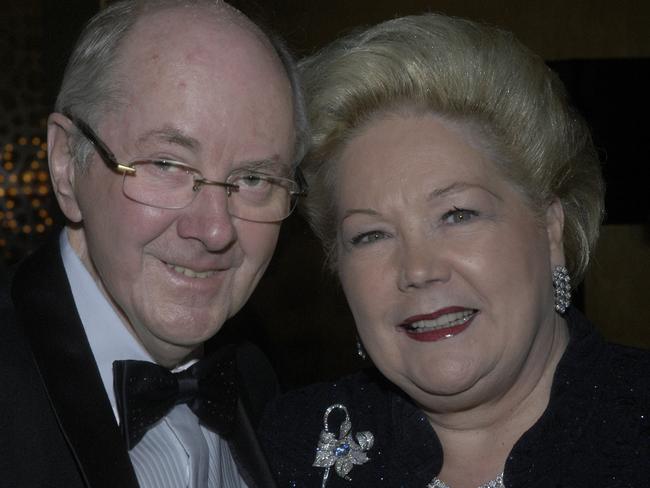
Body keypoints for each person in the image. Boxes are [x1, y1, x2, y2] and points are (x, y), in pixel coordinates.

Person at [259, 13, 650, 488]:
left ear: (549, 229)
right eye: (371, 235)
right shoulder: (277, 450)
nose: (418, 270)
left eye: (457, 215)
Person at [0, 0, 308, 487]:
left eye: (252, 178)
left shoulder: (259, 383)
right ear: (66, 166)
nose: (215, 230)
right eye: (167, 165)